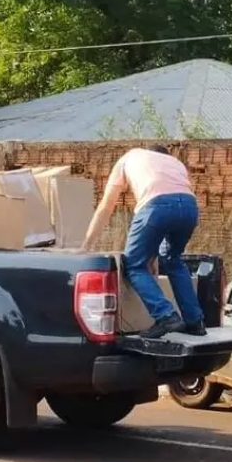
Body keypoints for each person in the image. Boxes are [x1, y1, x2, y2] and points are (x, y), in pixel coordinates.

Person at [82, 145, 204, 339]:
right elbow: (177, 199)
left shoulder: (128, 158)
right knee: (173, 260)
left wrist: (86, 245)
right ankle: (195, 322)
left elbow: (106, 207)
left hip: (156, 206)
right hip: (190, 207)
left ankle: (166, 316)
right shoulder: (175, 163)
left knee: (134, 265)